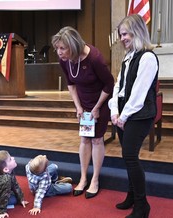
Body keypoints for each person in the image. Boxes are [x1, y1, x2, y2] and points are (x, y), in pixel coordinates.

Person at [51, 26, 114, 199]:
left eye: (62, 48)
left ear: (73, 45)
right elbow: (71, 84)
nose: (59, 52)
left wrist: (97, 108)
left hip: (101, 102)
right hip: (84, 104)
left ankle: (95, 180)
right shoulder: (64, 60)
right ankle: (84, 178)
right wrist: (78, 106)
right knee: (84, 138)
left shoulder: (95, 58)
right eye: (57, 48)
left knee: (97, 139)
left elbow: (110, 84)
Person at [108, 14, 158, 218]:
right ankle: (131, 195)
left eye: (125, 33)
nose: (122, 38)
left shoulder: (147, 57)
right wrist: (114, 110)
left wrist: (124, 115)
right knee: (128, 157)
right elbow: (118, 86)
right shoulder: (128, 57)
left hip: (139, 115)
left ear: (137, 31)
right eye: (120, 34)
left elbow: (139, 92)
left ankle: (142, 205)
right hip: (123, 114)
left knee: (130, 157)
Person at [0, 150, 28, 218]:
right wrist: (2, 212)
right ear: (6, 169)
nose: (13, 158)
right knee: (13, 199)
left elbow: (15, 185)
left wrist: (21, 199)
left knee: (14, 193)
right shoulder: (6, 180)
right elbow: (4, 196)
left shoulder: (8, 172)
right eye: (10, 159)